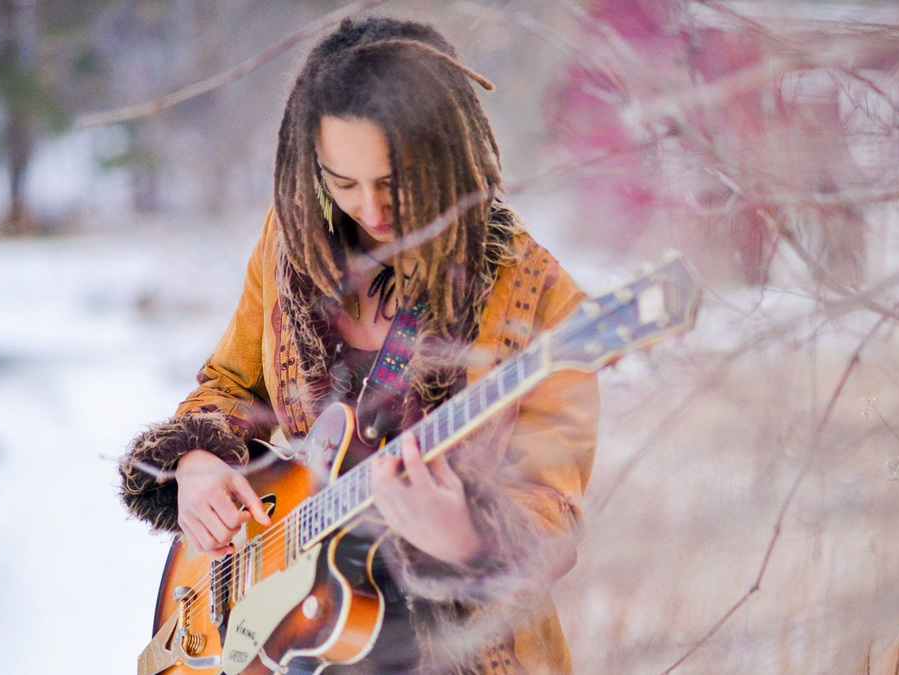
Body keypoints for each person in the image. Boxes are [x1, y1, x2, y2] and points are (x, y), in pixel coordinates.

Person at [118, 16, 599, 674]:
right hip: (297, 637)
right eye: (342, 183)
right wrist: (198, 460)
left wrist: (466, 537)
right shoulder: (292, 243)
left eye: (394, 181)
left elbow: (553, 513)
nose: (369, 210)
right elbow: (229, 386)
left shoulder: (537, 296)